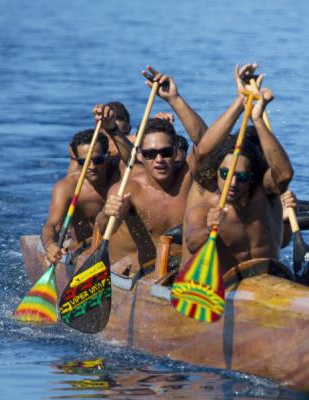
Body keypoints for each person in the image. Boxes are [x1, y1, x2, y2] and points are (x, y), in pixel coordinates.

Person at [182, 64, 294, 273]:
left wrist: (257, 119)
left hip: (269, 286)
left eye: (241, 177)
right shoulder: (205, 208)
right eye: (225, 174)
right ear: (216, 172)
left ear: (252, 177)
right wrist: (242, 100)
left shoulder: (266, 193)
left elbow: (284, 174)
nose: (232, 183)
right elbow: (192, 243)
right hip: (225, 289)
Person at [94, 68, 207, 266]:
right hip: (140, 275)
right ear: (139, 155)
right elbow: (105, 229)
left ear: (175, 152)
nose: (159, 160)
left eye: (165, 152)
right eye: (150, 154)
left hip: (183, 272)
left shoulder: (188, 177)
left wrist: (175, 99)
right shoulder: (129, 187)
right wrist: (107, 213)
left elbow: (205, 142)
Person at [42, 128, 120, 264]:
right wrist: (50, 245)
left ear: (107, 156)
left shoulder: (120, 176)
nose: (91, 166)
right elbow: (53, 225)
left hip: (117, 254)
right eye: (84, 161)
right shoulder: (67, 187)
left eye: (98, 160)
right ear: (76, 160)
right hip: (82, 251)